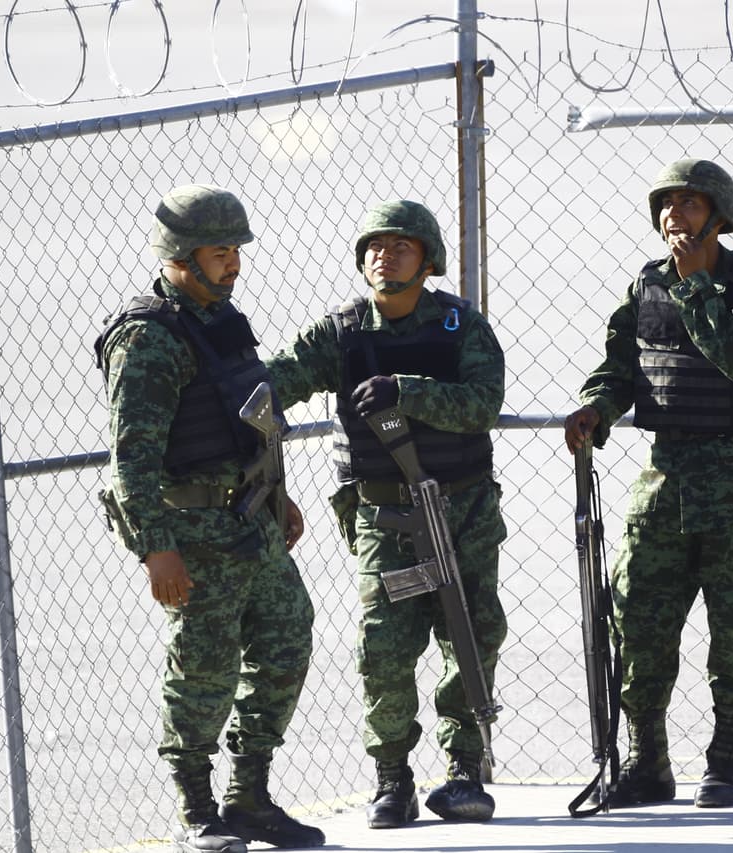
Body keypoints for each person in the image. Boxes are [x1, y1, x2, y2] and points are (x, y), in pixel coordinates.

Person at [263, 200, 508, 829]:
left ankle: (464, 771)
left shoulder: (460, 326)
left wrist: (408, 391)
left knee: (470, 637)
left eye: (401, 246)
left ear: (427, 260)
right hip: (386, 517)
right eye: (375, 245)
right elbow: (279, 380)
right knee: (383, 649)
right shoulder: (342, 332)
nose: (385, 255)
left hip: (464, 508)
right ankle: (392, 779)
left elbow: (483, 404)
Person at [95, 185, 325, 852]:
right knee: (203, 668)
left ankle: (249, 794)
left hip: (250, 522)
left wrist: (275, 494)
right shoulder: (146, 340)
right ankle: (197, 808)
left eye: (235, 251)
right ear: (182, 255)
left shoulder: (223, 321)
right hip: (193, 537)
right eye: (220, 252)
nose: (234, 264)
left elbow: (247, 416)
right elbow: (132, 455)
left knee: (288, 639)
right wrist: (154, 549)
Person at [564, 159, 733, 810]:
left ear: (719, 214)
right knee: (638, 622)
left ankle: (727, 762)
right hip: (665, 482)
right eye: (667, 203)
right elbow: (619, 369)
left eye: (689, 204)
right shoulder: (647, 286)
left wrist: (695, 286)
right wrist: (594, 408)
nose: (674, 215)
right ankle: (647, 762)